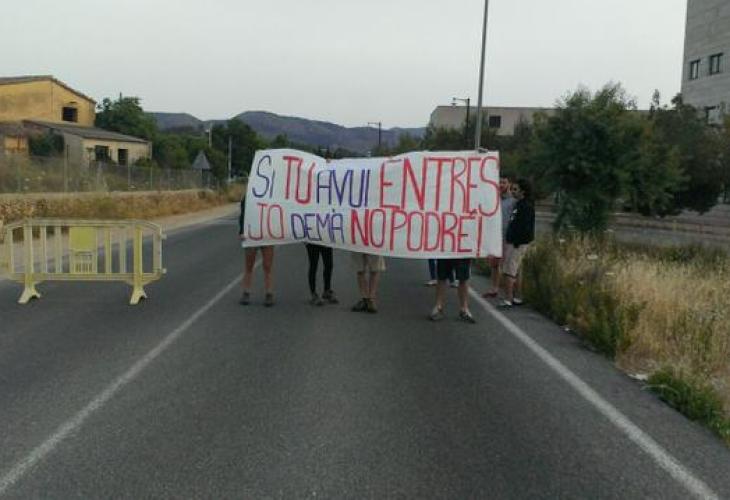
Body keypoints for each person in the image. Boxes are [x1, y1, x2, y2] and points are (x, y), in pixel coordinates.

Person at [499, 178, 535, 308]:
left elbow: (525, 227)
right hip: (515, 242)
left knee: (509, 270)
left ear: (522, 191)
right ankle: (517, 297)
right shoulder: (519, 204)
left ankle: (508, 299)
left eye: (515, 189)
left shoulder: (525, 206)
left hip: (516, 243)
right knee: (516, 270)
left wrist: (516, 242)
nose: (513, 191)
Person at [239, 196, 275, 306]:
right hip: (252, 234)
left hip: (267, 234)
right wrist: (241, 231)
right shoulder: (248, 196)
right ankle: (246, 292)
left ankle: (269, 293)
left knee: (267, 265)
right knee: (249, 265)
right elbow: (243, 215)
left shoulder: (272, 195)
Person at [482, 174, 515, 298]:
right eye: (499, 182)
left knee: (507, 264)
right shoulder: (494, 199)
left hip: (507, 235)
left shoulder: (513, 201)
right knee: (494, 264)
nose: (501, 185)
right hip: (495, 235)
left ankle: (510, 292)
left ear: (509, 184)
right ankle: (494, 288)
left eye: (504, 182)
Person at [429, 258, 476, 323]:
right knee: (441, 277)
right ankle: (438, 307)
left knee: (463, 278)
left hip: (462, 255)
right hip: (445, 254)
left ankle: (464, 309)